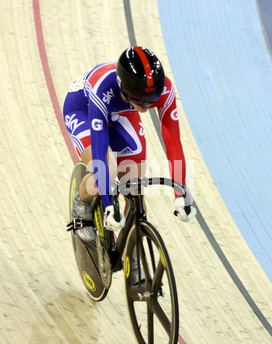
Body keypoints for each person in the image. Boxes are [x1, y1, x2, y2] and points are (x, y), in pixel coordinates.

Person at [63, 46, 196, 245]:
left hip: (122, 111)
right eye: (142, 101)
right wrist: (108, 205)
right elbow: (100, 155)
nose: (148, 105)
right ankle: (81, 204)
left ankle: (134, 261)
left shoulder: (164, 90)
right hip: (83, 109)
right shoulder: (103, 89)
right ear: (124, 90)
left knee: (135, 187)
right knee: (107, 169)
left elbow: (174, 144)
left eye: (152, 100)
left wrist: (181, 193)